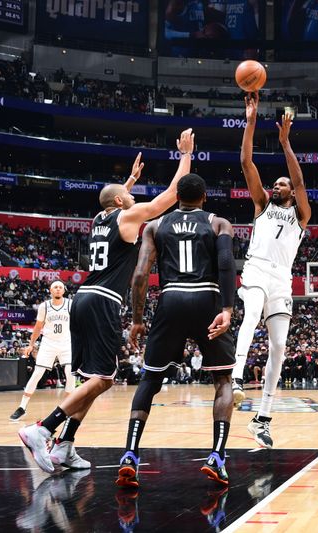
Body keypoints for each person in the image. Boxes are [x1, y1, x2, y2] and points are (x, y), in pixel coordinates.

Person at [19, 129, 196, 473]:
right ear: (120, 204)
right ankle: (43, 429)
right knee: (102, 379)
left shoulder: (99, 219)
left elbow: (113, 201)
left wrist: (128, 182)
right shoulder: (126, 216)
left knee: (96, 378)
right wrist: (186, 155)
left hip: (82, 299)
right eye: (129, 197)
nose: (134, 200)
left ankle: (65, 446)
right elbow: (171, 196)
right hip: (102, 301)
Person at [117, 173, 237, 488]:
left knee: (150, 378)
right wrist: (227, 308)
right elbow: (226, 262)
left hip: (171, 299)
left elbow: (141, 273)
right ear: (205, 197)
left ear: (177, 197)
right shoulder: (218, 223)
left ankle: (130, 453)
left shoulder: (155, 226)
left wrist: (138, 318)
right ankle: (218, 456)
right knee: (223, 380)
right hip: (207, 297)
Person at [230, 93, 311, 449]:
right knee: (249, 315)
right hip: (256, 270)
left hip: (282, 278)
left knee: (279, 346)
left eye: (282, 184)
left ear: (290, 192)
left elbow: (302, 181)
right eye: (274, 183)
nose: (276, 186)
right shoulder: (261, 204)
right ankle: (235, 378)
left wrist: (285, 143)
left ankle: (262, 418)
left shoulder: (301, 214)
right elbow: (246, 162)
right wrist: (250, 122)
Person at [10, 280, 74, 421]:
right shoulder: (44, 306)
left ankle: (68, 407)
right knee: (37, 373)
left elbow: (78, 323)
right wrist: (31, 344)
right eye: (55, 287)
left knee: (70, 373)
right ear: (50, 291)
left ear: (64, 291)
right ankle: (22, 407)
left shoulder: (70, 304)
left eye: (60, 287)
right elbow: (38, 327)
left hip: (66, 343)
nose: (57, 289)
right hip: (48, 343)